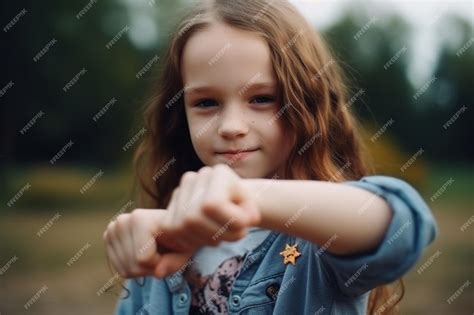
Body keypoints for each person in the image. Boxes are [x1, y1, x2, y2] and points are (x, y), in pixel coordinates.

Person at [102, 1, 438, 314]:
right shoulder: (161, 244)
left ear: (308, 105)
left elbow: (403, 228)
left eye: (262, 98)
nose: (232, 127)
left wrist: (245, 198)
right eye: (206, 103)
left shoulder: (317, 243)